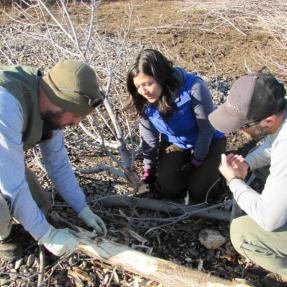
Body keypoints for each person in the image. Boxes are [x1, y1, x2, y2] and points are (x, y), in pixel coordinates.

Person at [0, 60, 107, 262]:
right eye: (75, 115)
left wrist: (82, 207)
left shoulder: (51, 106)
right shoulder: (5, 104)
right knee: (2, 206)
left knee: (42, 207)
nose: (76, 123)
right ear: (62, 101)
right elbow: (11, 186)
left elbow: (58, 164)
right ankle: (2, 236)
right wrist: (46, 235)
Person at [208, 73, 287, 286]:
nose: (240, 131)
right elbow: (273, 143)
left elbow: (270, 220)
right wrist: (248, 163)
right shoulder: (282, 116)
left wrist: (235, 182)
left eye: (243, 126)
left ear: (269, 120)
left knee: (243, 234)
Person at [127, 49, 225, 202]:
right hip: (176, 141)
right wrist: (149, 168)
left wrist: (196, 161)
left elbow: (206, 130)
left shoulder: (194, 87)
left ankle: (219, 175)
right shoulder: (143, 100)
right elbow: (149, 139)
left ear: (161, 77)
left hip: (209, 139)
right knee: (169, 189)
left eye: (148, 84)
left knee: (200, 193)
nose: (143, 91)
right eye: (138, 86)